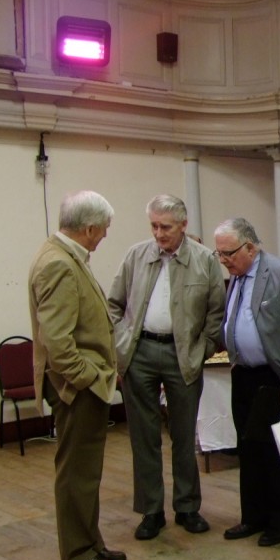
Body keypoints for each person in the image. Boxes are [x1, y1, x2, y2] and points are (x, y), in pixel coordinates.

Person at [107, 195, 225, 540]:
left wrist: (202, 350)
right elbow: (113, 305)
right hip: (140, 352)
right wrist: (121, 343)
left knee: (184, 434)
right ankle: (151, 511)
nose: (159, 234)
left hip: (183, 355)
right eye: (154, 226)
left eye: (166, 227)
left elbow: (216, 313)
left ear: (183, 226)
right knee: (143, 438)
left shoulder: (204, 260)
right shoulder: (136, 255)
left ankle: (187, 507)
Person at [28, 190, 123, 560]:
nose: (104, 237)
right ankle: (78, 552)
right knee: (77, 474)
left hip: (82, 386)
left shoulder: (63, 256)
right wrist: (92, 379)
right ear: (88, 228)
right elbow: (58, 344)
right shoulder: (59, 264)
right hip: (77, 389)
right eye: (103, 230)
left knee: (86, 473)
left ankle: (90, 542)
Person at [215, 218, 280, 546]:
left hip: (276, 377)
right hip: (243, 375)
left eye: (228, 253)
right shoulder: (235, 277)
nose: (224, 260)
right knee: (249, 450)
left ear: (251, 246)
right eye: (219, 255)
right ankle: (253, 517)